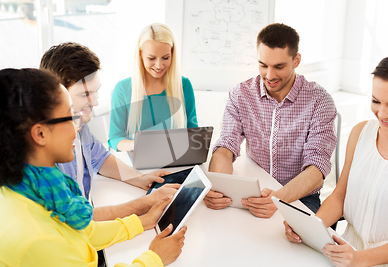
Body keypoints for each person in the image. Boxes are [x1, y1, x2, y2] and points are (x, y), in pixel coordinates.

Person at [0, 68, 187, 267]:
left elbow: (80, 232)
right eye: (68, 117)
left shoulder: (29, 186)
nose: (77, 126)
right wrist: (154, 258)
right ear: (40, 133)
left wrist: (141, 222)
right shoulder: (34, 237)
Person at [285, 54, 388, 267]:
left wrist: (360, 259)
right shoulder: (361, 133)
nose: (382, 114)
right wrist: (310, 228)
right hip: (346, 261)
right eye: (376, 101)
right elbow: (340, 196)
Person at [205, 23, 337, 217]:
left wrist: (278, 198)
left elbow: (317, 167)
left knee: (297, 243)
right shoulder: (241, 94)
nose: (269, 75)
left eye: (279, 66)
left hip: (300, 196)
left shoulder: (319, 100)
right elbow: (226, 146)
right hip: (254, 188)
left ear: (296, 60)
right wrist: (216, 186)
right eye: (263, 65)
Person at [40, 42, 176, 222]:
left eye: (96, 92)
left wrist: (139, 178)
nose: (95, 102)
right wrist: (144, 207)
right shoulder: (44, 152)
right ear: (57, 95)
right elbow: (77, 217)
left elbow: (100, 158)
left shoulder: (80, 124)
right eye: (85, 95)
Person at [109, 22, 198, 152]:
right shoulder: (122, 89)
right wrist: (137, 145)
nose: (159, 65)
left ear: (172, 54)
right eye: (151, 58)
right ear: (140, 54)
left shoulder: (184, 85)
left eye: (165, 57)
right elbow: (115, 138)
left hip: (177, 163)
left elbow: (193, 131)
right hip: (139, 164)